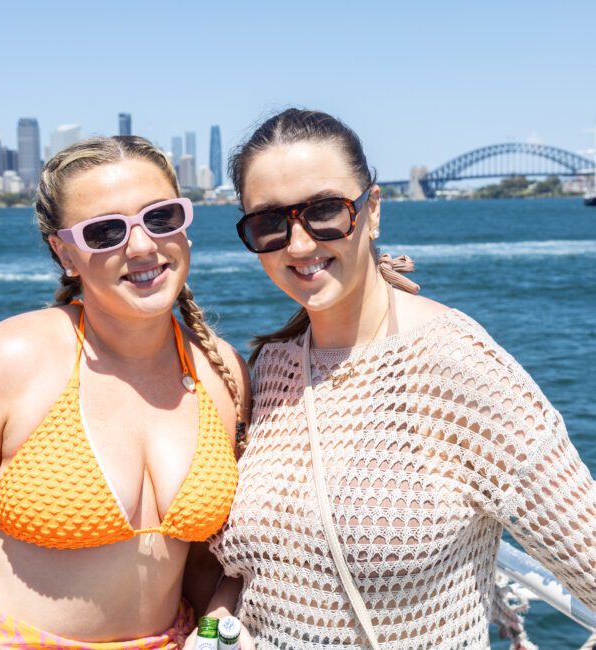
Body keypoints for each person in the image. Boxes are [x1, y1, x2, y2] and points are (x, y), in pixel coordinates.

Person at [206, 109, 596, 649]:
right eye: (270, 223)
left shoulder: (457, 366)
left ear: (373, 209)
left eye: (324, 210)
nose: (298, 244)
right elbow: (250, 572)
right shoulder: (273, 368)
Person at [0, 135, 250, 649]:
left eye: (161, 218)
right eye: (105, 231)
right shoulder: (15, 358)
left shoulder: (222, 372)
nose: (142, 246)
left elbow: (207, 566)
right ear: (64, 253)